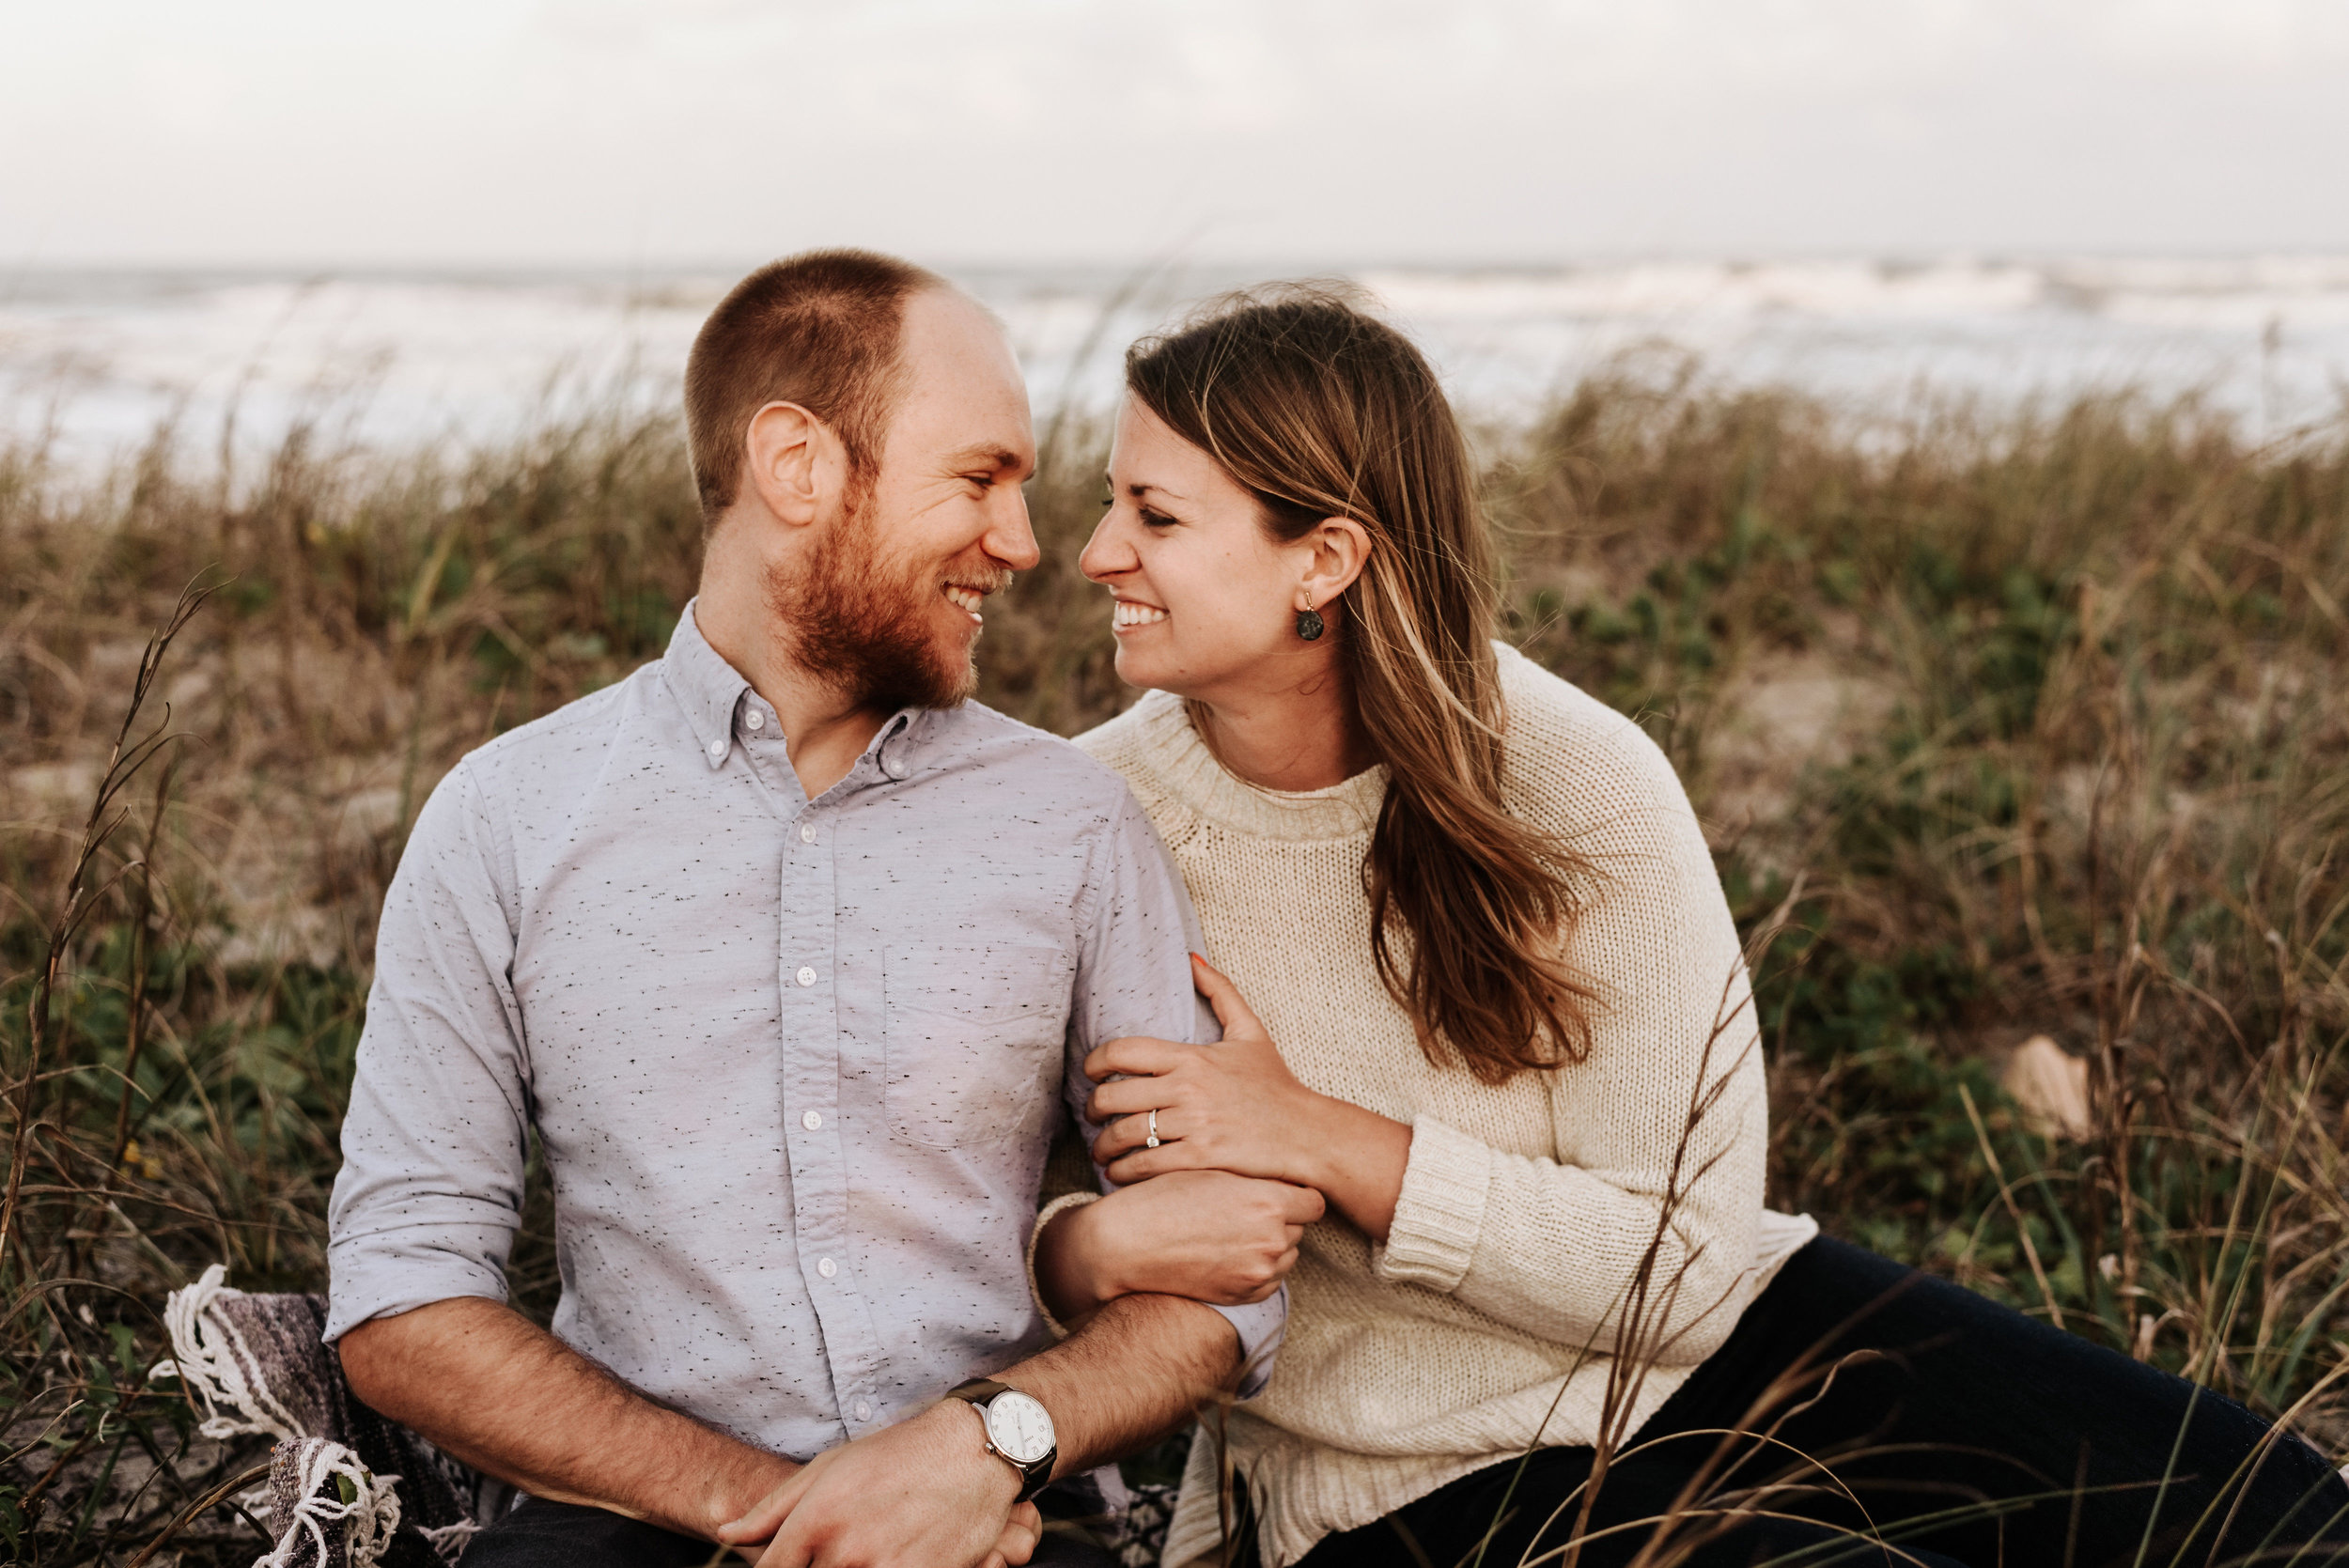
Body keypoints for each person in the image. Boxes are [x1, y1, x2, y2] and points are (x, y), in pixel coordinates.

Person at [1032, 284, 2349, 1568]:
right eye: (1109, 501)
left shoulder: (1573, 774)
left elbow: (1689, 1259)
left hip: (1717, 1339)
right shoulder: (1094, 823)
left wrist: (1325, 1139)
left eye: (1152, 513)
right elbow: (952, 1210)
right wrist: (1080, 1247)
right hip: (1400, 1467)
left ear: (1325, 555)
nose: (1095, 551)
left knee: (2275, 1514)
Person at [324, 250, 1321, 1568]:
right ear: (798, 466)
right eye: (979, 480)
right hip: (625, 1525)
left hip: (1005, 1519)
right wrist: (796, 1514)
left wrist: (985, 1444)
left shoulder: (1073, 822)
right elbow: (402, 1291)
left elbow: (1217, 1288)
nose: (1027, 546)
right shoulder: (505, 816)